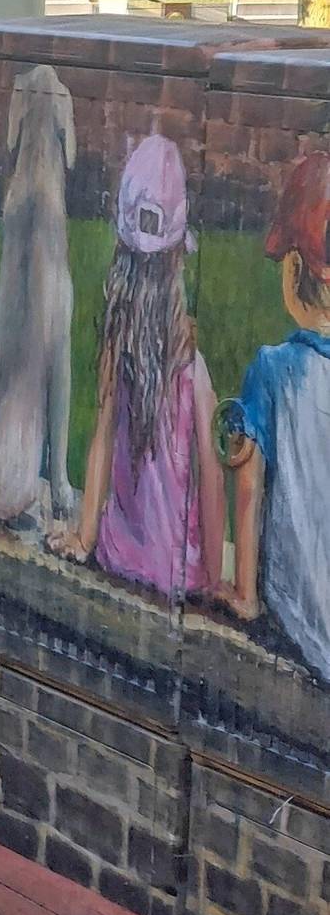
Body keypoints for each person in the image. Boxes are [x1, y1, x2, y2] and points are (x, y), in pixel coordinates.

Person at [49, 133, 224, 599]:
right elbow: (210, 469)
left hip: (120, 552)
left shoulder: (117, 339)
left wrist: (85, 537)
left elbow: (102, 438)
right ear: (176, 260)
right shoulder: (191, 364)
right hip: (180, 572)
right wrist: (209, 576)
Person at [222, 149, 330, 682]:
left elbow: (249, 491)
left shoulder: (274, 370)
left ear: (293, 268)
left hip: (309, 626)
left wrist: (245, 596)